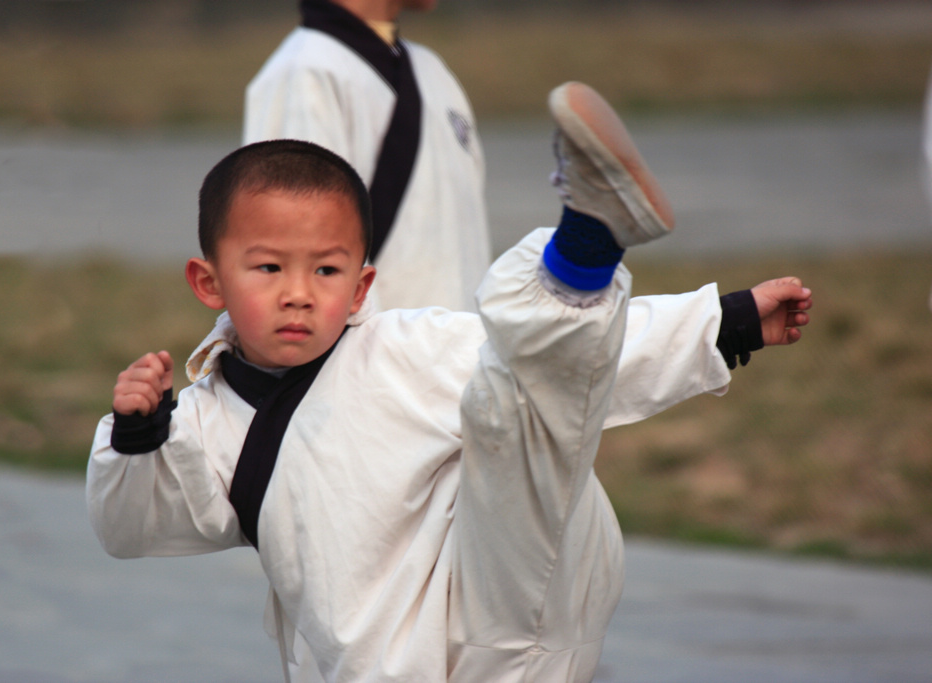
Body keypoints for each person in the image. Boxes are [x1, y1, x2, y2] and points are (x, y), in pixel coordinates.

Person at [88, 82, 812, 682]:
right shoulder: (203, 423)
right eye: (270, 268)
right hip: (383, 666)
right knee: (515, 385)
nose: (300, 292)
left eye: (328, 269)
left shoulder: (407, 348)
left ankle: (586, 243)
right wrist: (137, 435)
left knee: (510, 395)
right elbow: (132, 528)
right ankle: (580, 255)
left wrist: (727, 321)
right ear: (207, 281)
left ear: (364, 284)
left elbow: (586, 366)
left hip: (510, 615)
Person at [242, 0, 491, 312]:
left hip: (462, 348)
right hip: (379, 355)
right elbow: (299, 253)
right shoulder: (306, 72)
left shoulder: (432, 70)